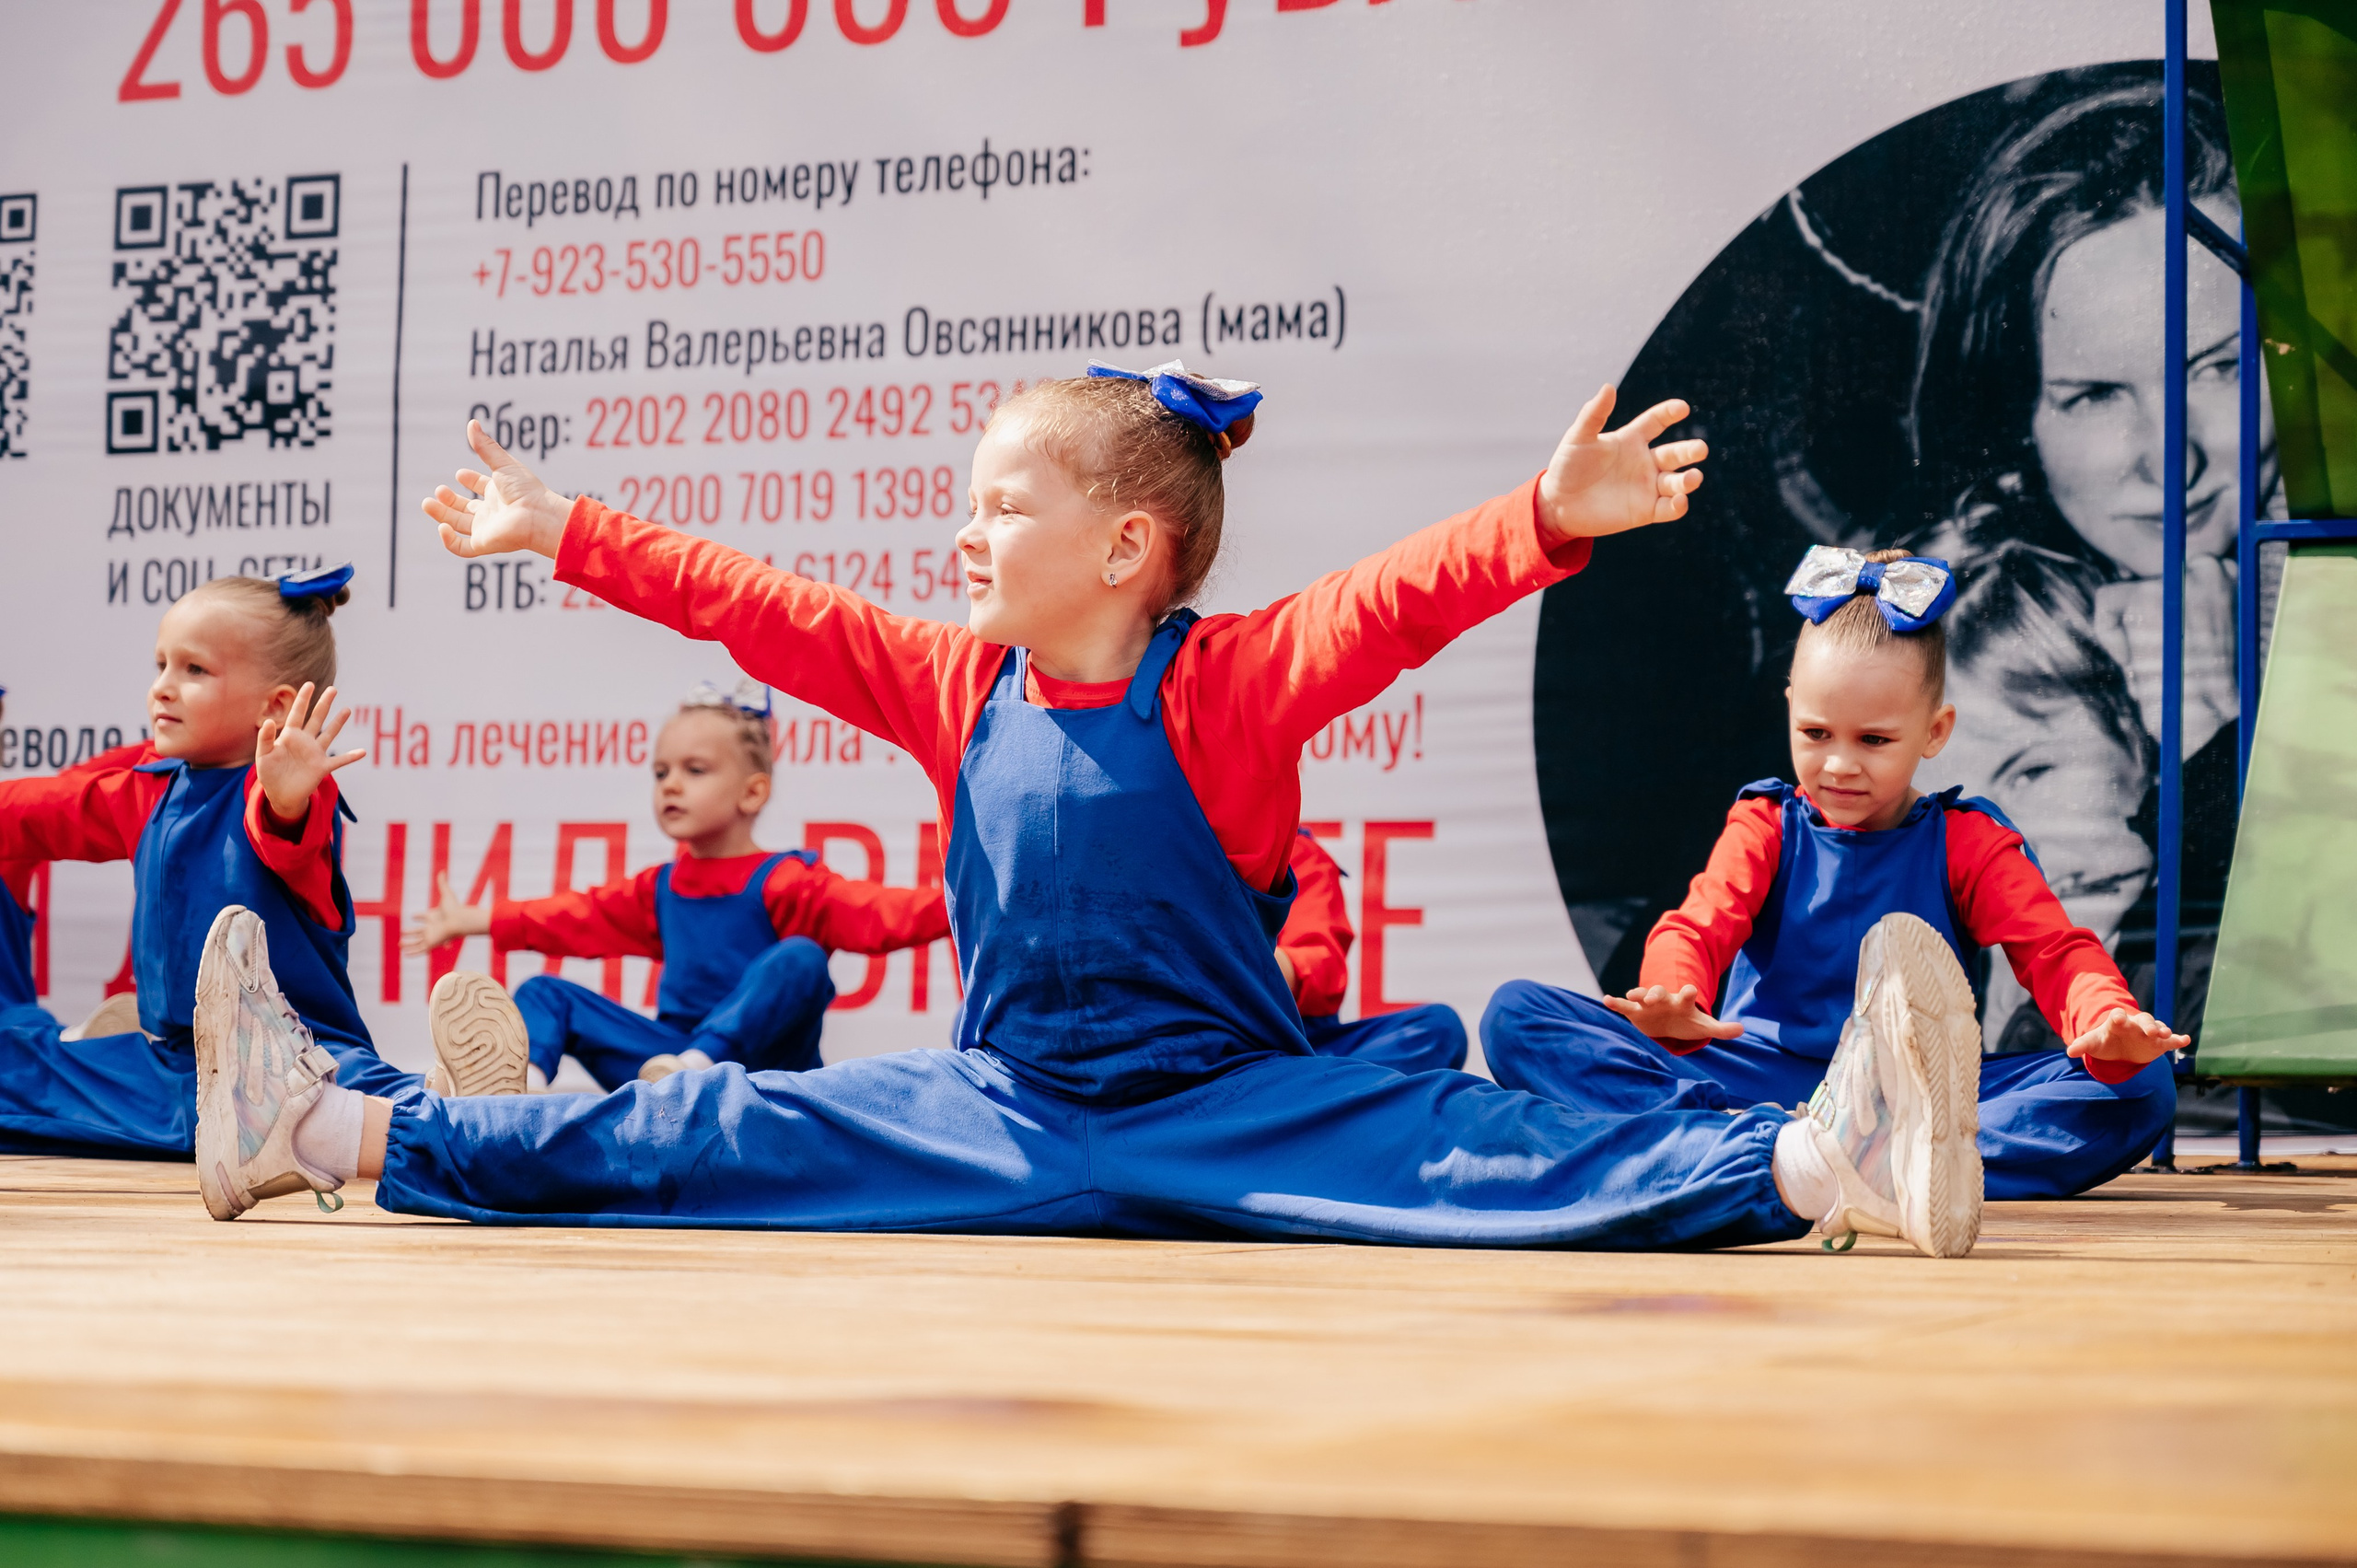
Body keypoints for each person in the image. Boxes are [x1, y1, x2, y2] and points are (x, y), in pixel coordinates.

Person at [201, 366, 1970, 1259]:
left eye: (998, 502)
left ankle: (1840, 1158)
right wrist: (563, 527)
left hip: (1233, 1108)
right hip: (1001, 1106)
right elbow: (755, 604)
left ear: (1127, 548)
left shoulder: (1234, 681)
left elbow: (1398, 598)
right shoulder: (946, 681)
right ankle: (323, 1132)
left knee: (1502, 1151)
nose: (961, 532)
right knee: (687, 1123)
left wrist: (1542, 516)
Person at [1483, 547, 2187, 1203]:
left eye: (1874, 740)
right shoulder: (1766, 822)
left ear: (1935, 732)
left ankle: (1793, 1159)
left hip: (1914, 1095)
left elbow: (2055, 950)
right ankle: (1845, 1162)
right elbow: (1699, 923)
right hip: (1756, 1076)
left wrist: (2105, 1018)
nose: (1840, 764)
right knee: (1518, 1017)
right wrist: (1674, 993)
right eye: (1816, 734)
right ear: (1790, 706)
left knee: (2140, 1087)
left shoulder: (1968, 839)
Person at [0, 567, 421, 1162]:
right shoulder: (146, 790)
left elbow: (280, 828)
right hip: (175, 1074)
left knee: (403, 1120)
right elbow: (36, 811)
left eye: (194, 669)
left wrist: (288, 795)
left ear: (273, 705)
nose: (163, 687)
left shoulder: (279, 792)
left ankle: (447, 1100)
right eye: (161, 665)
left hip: (297, 1062)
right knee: (14, 1066)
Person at [404, 684, 950, 1091]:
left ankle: (699, 1071)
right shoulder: (660, 888)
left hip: (762, 1075)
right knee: (546, 995)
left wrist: (967, 905)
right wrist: (472, 920)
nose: (670, 784)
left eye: (694, 770)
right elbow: (577, 916)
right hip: (664, 1067)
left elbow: (880, 912)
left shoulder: (786, 881)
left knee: (801, 959)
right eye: (661, 771)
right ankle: (519, 1096)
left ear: (753, 792)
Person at [1277, 828, 1467, 1074]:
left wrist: (1241, 963)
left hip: (1299, 1055)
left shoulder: (1293, 852)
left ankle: (1320, 1097)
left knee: (1438, 1029)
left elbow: (1322, 969)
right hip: (1222, 1060)